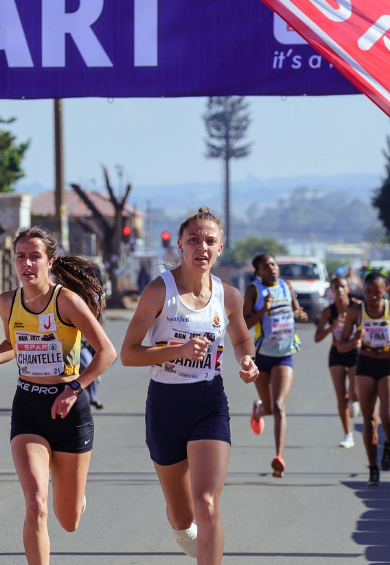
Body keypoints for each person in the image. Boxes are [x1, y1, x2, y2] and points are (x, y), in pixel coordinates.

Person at [0, 226, 116, 565]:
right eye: (21, 257)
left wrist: (75, 388)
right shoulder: (8, 302)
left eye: (35, 256)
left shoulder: (67, 301)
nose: (27, 263)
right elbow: (13, 343)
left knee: (68, 520)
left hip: (70, 410)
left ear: (50, 262)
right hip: (29, 407)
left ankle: (73, 495)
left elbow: (107, 352)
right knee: (36, 505)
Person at [120, 207, 259, 563]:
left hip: (208, 404)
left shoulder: (228, 296)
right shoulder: (159, 291)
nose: (202, 247)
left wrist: (247, 361)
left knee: (207, 504)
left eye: (210, 241)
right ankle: (184, 530)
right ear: (180, 245)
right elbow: (128, 354)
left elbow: (242, 341)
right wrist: (177, 351)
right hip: (164, 406)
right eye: (194, 240)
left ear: (220, 248)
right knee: (183, 516)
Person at [337, 272, 390, 487]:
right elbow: (341, 345)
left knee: (387, 417)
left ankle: (388, 444)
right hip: (366, 364)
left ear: (386, 290)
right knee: (369, 421)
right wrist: (354, 340)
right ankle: (372, 468)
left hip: (388, 364)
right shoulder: (356, 311)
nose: (371, 297)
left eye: (377, 293)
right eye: (368, 292)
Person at [243, 253, 307, 477]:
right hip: (262, 355)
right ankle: (259, 410)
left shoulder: (286, 286)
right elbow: (244, 323)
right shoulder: (254, 291)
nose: (271, 269)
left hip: (284, 354)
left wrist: (301, 315)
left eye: (273, 264)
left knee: (279, 406)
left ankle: (279, 457)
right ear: (258, 272)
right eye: (265, 267)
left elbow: (297, 311)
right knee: (270, 408)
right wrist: (263, 310)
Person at [314, 276, 361, 448]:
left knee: (354, 393)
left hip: (354, 352)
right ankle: (348, 434)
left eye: (342, 287)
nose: (339, 290)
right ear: (332, 291)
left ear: (348, 288)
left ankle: (353, 399)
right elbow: (317, 338)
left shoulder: (357, 307)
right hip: (336, 353)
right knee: (341, 397)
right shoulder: (329, 311)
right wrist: (331, 327)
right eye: (336, 288)